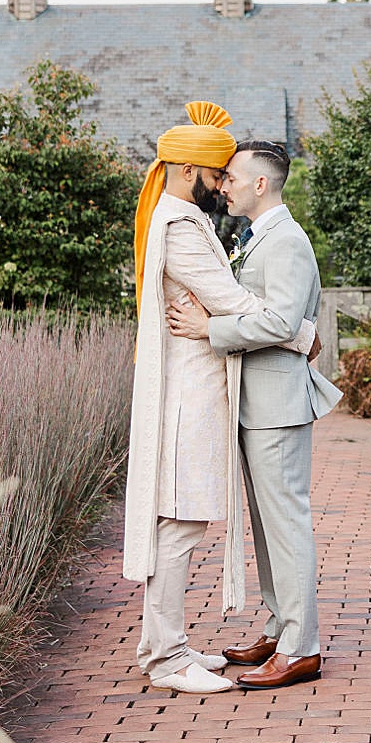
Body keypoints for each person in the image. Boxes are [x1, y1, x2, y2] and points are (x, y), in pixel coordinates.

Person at [125, 103, 317, 694]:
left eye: (231, 176)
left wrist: (229, 324)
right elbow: (233, 300)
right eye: (217, 174)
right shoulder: (180, 226)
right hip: (191, 397)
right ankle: (167, 653)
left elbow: (238, 306)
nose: (222, 184)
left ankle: (282, 640)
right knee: (179, 522)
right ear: (191, 172)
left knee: (232, 521)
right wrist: (304, 333)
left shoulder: (195, 222)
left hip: (240, 397)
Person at [166, 139, 340, 690]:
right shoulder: (256, 238)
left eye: (233, 178)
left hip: (277, 407)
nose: (224, 185)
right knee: (267, 528)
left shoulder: (286, 241)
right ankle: (278, 627)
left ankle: (300, 648)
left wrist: (207, 329)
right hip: (254, 404)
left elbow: (282, 323)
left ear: (260, 184)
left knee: (286, 527)